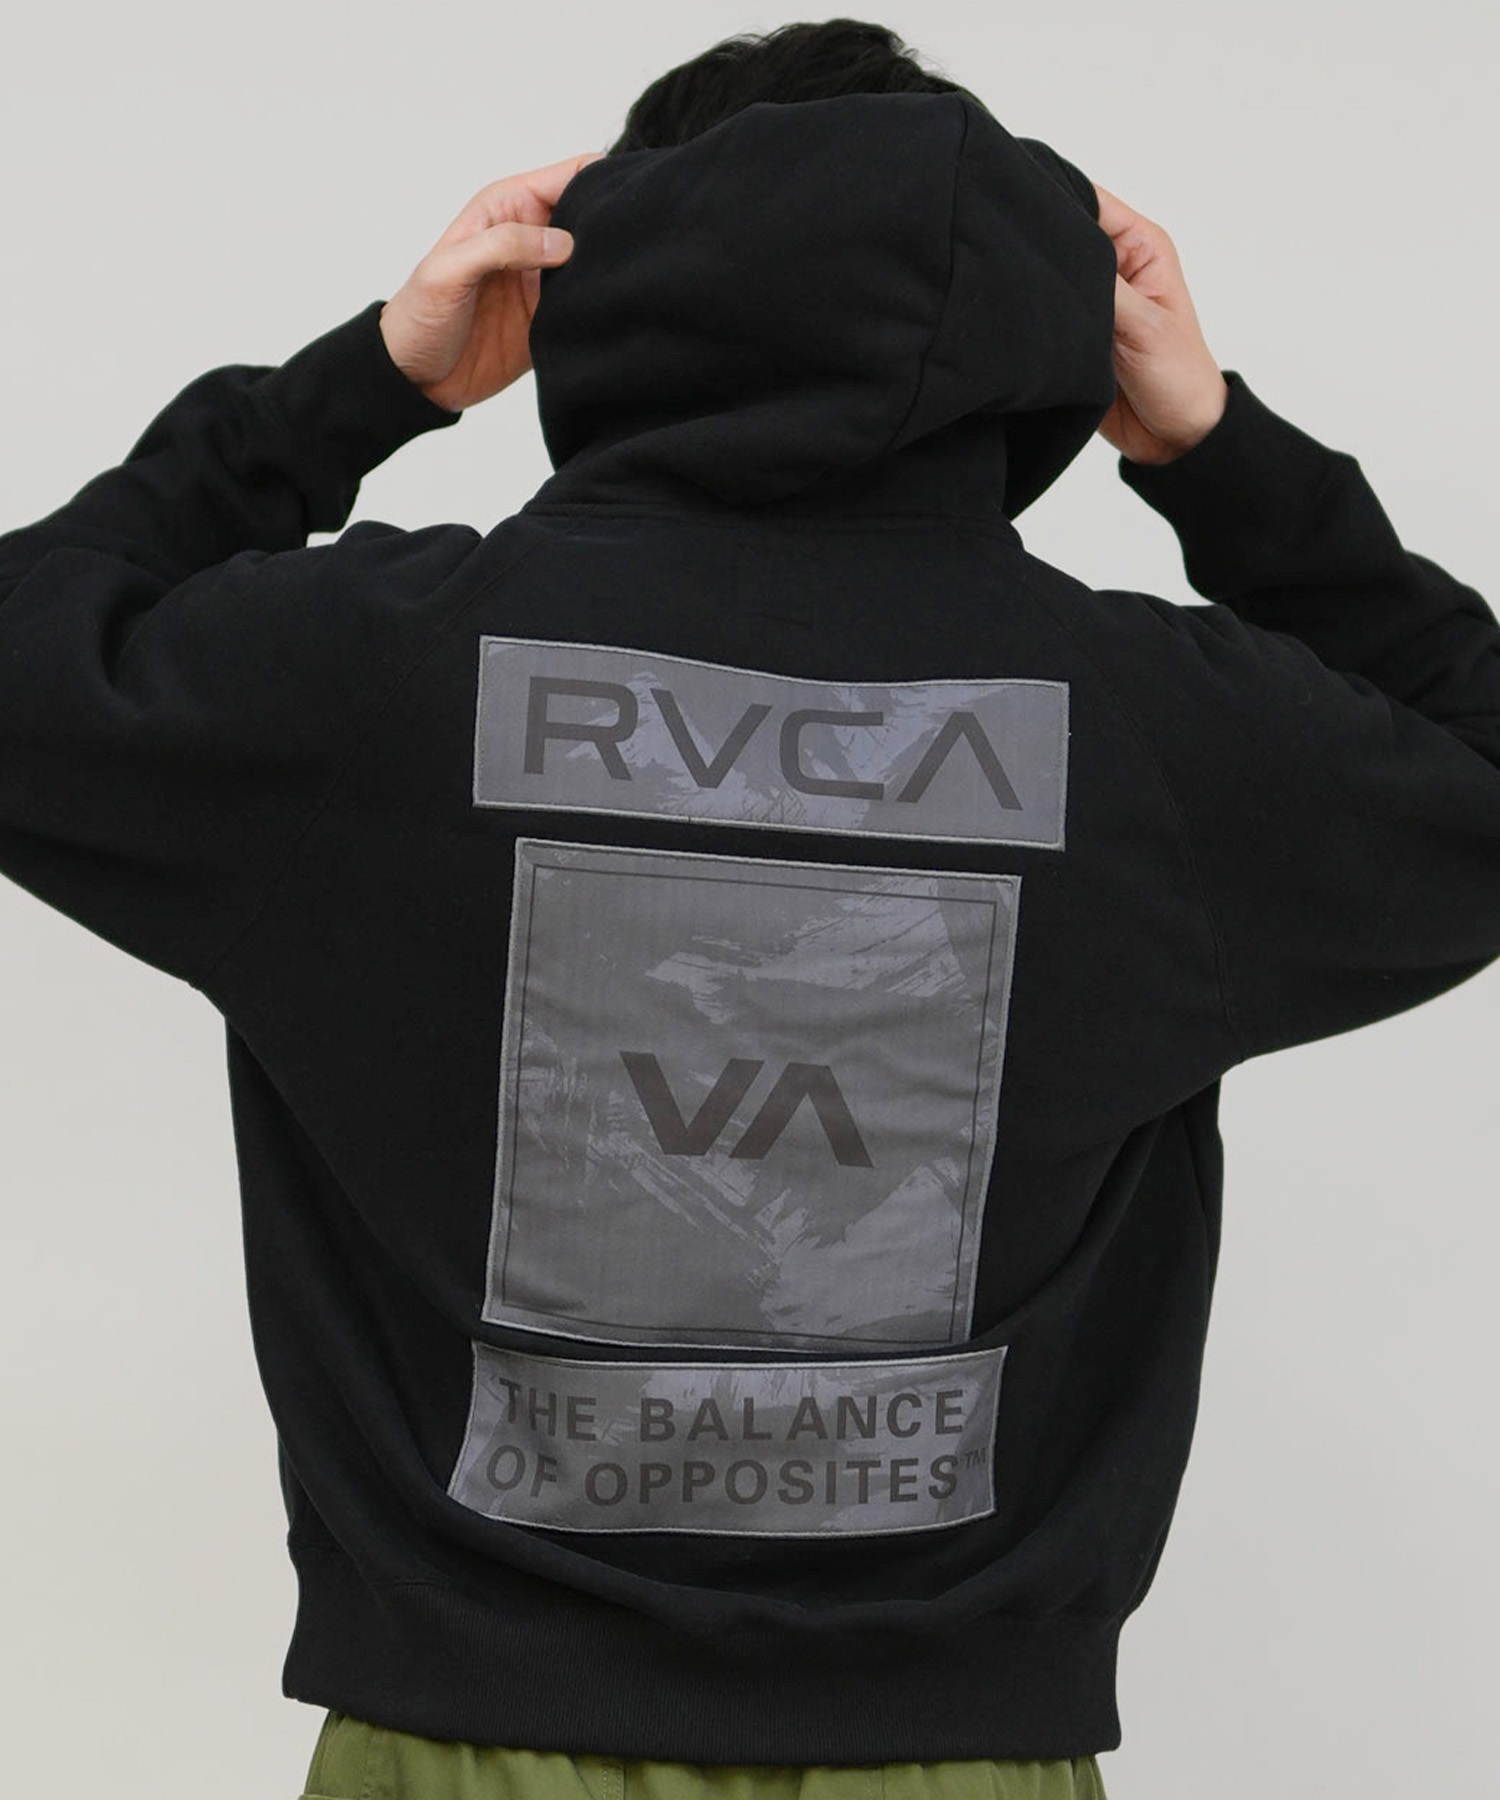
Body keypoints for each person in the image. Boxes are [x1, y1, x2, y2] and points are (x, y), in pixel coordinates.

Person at [3, 15, 1497, 1800]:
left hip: (460, 1751)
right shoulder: (1159, 734)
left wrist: (364, 387)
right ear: (1037, 322)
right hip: (958, 1761)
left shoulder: (370, 684)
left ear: (606, 275)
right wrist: (1218, 451)